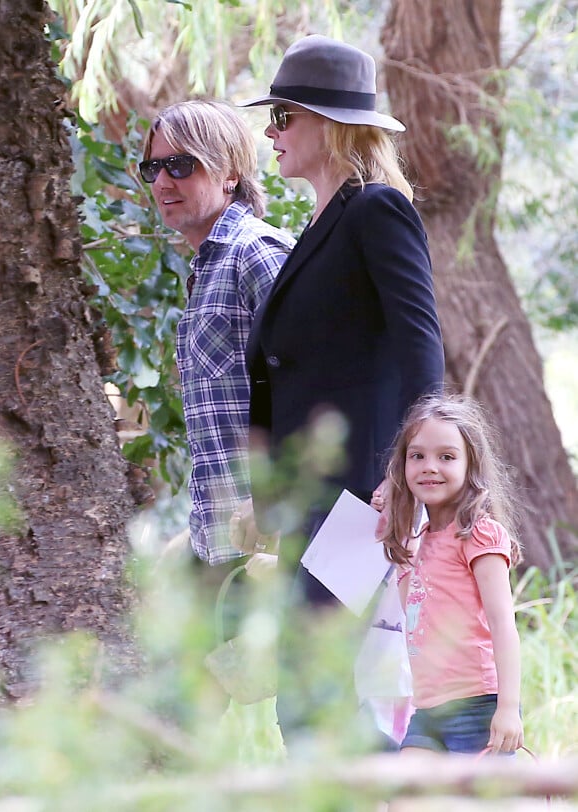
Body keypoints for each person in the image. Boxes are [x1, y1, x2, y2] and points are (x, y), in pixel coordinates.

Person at [233, 35, 445, 739]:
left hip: (362, 499)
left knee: (316, 690)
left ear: (331, 124)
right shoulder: (319, 225)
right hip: (309, 503)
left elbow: (421, 346)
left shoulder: (376, 211)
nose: (270, 132)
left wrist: (408, 477)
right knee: (310, 692)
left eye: (284, 117)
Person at [139, 100, 294, 574]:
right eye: (153, 167)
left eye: (181, 165)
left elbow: (313, 389)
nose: (164, 182)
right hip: (222, 540)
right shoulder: (207, 266)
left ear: (229, 172)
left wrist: (275, 507)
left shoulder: (256, 254)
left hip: (268, 541)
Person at [380, 393, 524, 755]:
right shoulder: (413, 547)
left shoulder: (479, 534)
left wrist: (508, 709)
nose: (430, 466)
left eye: (446, 456)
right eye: (417, 456)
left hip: (477, 706)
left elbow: (504, 625)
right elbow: (415, 623)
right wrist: (392, 515)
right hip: (427, 711)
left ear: (470, 466)